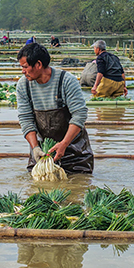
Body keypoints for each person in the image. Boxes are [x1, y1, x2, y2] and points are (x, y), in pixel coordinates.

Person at [16, 42, 93, 175]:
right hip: (43, 152)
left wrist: (64, 144)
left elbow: (79, 115)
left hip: (74, 152)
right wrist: (35, 148)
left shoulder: (66, 81)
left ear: (38, 64)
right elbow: (26, 119)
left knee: (78, 183)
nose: (23, 71)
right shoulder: (24, 85)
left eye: (25, 67)